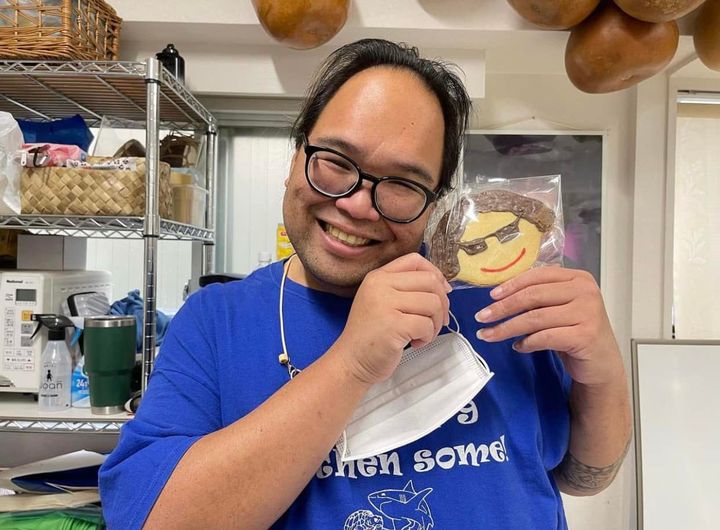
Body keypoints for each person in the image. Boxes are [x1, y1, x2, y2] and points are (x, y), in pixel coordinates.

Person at [99, 39, 631, 529]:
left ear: (436, 202)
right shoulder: (217, 321)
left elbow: (583, 476)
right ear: (295, 157)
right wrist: (352, 363)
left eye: (402, 183)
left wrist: (603, 374)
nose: (356, 205)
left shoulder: (499, 298)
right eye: (336, 161)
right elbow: (152, 520)